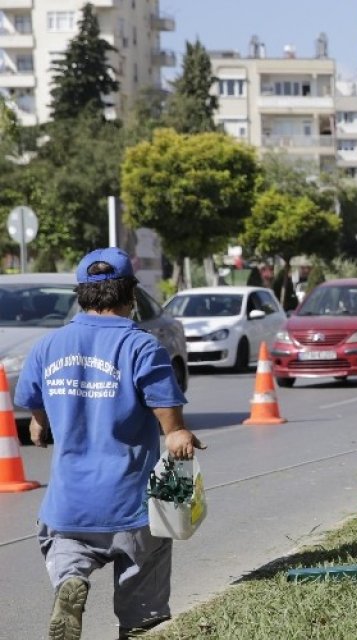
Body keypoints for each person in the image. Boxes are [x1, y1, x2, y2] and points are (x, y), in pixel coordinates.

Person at [14, 248, 204, 640]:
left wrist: (40, 423)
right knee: (143, 575)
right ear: (130, 294)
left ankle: (70, 579)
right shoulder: (142, 346)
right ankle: (138, 626)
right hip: (130, 503)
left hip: (68, 505)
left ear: (81, 294)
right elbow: (168, 415)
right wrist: (177, 433)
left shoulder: (48, 346)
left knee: (65, 550)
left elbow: (33, 405)